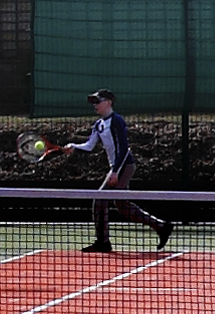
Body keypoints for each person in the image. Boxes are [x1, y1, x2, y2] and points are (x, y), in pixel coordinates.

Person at [58, 88, 172, 254]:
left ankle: (102, 242)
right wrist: (73, 147)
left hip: (125, 166)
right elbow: (89, 146)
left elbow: (124, 148)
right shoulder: (98, 125)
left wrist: (115, 171)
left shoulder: (117, 120)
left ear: (109, 103)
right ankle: (162, 226)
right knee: (123, 206)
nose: (95, 105)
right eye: (93, 102)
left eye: (98, 101)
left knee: (99, 201)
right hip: (117, 168)